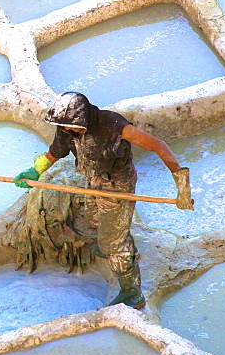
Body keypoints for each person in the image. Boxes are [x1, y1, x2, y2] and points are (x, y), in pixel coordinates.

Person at [13, 91, 192, 309]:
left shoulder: (113, 125)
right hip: (93, 179)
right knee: (94, 219)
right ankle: (119, 245)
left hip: (118, 184)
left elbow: (159, 146)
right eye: (64, 127)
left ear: (85, 119)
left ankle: (132, 292)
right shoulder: (66, 128)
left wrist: (182, 186)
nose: (68, 130)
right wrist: (35, 170)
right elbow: (55, 152)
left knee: (112, 242)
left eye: (72, 127)